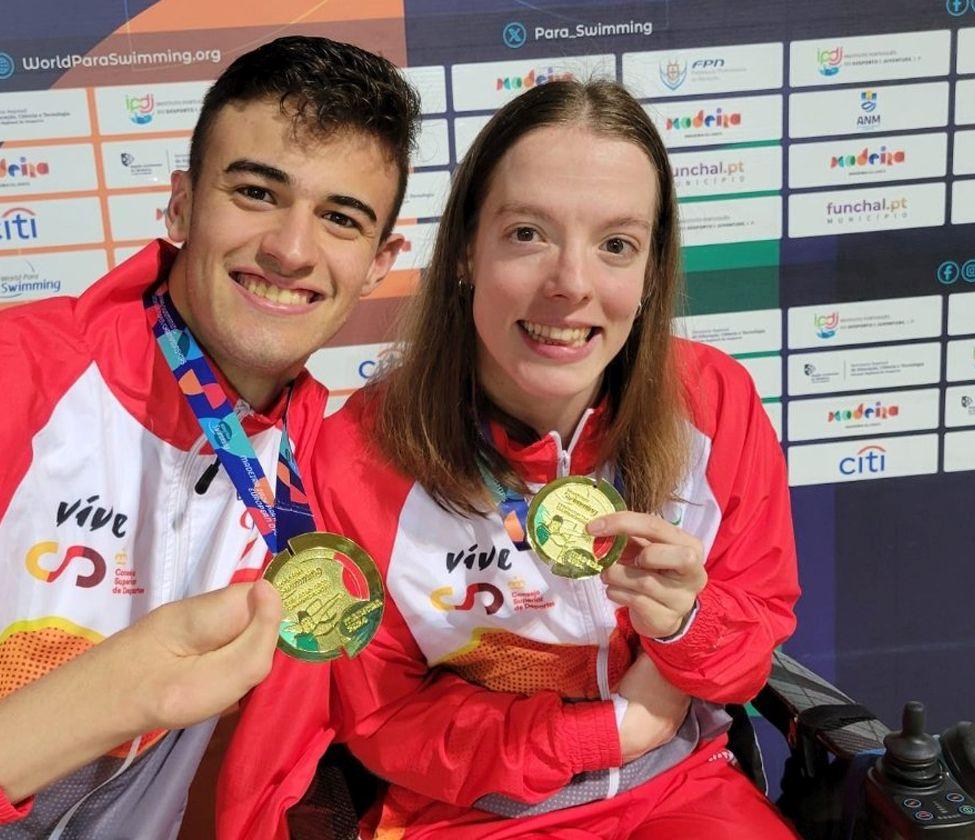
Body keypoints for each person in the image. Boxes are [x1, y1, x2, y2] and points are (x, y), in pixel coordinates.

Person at [0, 36, 419, 839]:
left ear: (378, 263)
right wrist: (104, 701)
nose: (291, 249)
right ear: (183, 206)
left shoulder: (333, 460)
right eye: (257, 192)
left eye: (340, 218)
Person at [229, 77, 802, 837]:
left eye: (616, 245)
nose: (571, 285)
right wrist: (608, 731)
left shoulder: (713, 401)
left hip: (680, 794)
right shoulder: (353, 459)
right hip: (469, 816)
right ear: (467, 249)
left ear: (651, 272)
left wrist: (686, 626)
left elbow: (753, 641)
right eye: (528, 234)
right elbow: (385, 719)